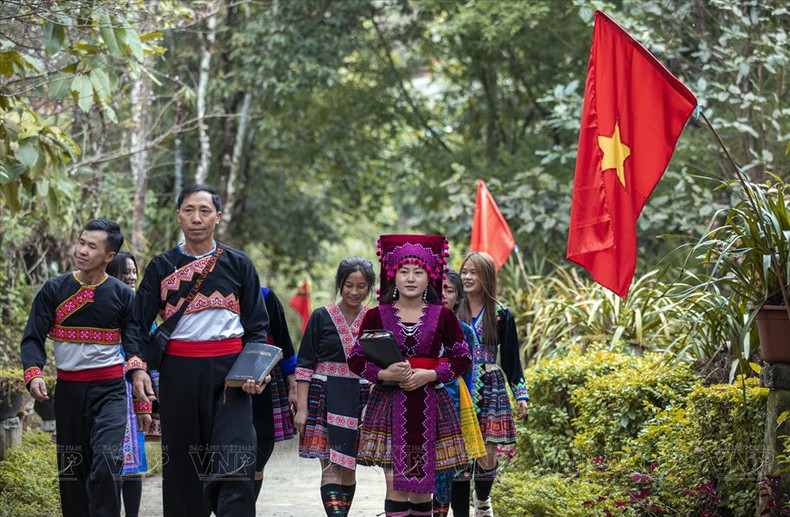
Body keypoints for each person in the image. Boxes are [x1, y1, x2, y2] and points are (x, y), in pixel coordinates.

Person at [123, 184, 271, 517]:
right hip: (180, 373)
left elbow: (257, 326)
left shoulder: (238, 264)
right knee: (183, 465)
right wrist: (138, 369)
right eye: (189, 210)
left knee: (234, 458)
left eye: (205, 211)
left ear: (218, 217)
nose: (196, 218)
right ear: (178, 215)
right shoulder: (161, 266)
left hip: (232, 377)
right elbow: (135, 324)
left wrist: (254, 372)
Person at [347, 234, 472, 517]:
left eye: (418, 272)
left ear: (431, 278)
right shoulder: (376, 315)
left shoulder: (444, 316)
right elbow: (355, 359)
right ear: (393, 276)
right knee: (394, 484)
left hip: (431, 402)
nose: (411, 278)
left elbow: (462, 358)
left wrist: (430, 374)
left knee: (422, 488)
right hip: (389, 403)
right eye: (404, 272)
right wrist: (383, 373)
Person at [21, 218, 133, 517]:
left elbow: (136, 342)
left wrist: (141, 374)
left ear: (109, 256)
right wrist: (33, 373)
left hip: (110, 391)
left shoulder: (123, 296)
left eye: (91, 246)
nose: (82, 250)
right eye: (81, 242)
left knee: (108, 461)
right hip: (69, 391)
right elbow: (33, 336)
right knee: (71, 470)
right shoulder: (55, 289)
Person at [293, 257, 376, 516]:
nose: (354, 291)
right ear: (339, 285)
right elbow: (305, 364)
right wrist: (302, 409)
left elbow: (380, 365)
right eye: (348, 285)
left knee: (348, 466)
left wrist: (372, 406)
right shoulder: (321, 316)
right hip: (324, 394)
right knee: (329, 465)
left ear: (369, 288)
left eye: (361, 286)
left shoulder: (374, 319)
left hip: (359, 396)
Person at [451, 251, 529, 517]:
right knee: (458, 452)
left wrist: (521, 394)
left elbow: (511, 358)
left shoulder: (501, 314)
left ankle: (482, 501)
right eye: (465, 272)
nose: (468, 277)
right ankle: (460, 512)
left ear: (487, 277)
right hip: (458, 384)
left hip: (490, 384)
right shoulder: (450, 310)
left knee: (488, 451)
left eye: (474, 272)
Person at [106, 252, 148, 517]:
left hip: (133, 391)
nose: (131, 276)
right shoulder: (104, 305)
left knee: (133, 465)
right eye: (125, 272)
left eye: (133, 271)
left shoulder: (141, 306)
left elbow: (149, 353)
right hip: (108, 389)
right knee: (108, 463)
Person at [252, 286, 297, 500]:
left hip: (266, 375)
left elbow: (284, 341)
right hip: (223, 377)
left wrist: (293, 384)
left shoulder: (265, 296)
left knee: (262, 443)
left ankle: (245, 507)